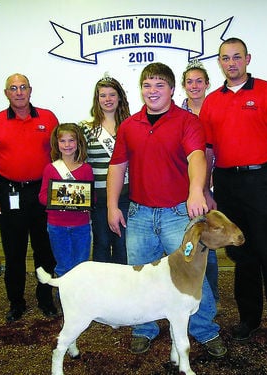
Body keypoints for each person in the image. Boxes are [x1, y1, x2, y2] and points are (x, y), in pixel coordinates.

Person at [107, 62, 227, 357]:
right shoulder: (129, 126)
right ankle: (144, 328)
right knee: (140, 276)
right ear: (141, 90)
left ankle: (205, 330)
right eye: (147, 85)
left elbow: (197, 157)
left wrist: (195, 190)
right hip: (139, 215)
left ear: (173, 90)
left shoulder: (187, 122)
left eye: (160, 85)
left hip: (178, 216)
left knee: (191, 274)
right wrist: (112, 206)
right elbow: (116, 166)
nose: (153, 91)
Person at [200, 37, 267, 352]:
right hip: (227, 185)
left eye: (237, 57)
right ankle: (249, 320)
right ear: (220, 62)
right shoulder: (212, 101)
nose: (232, 63)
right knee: (242, 256)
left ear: (248, 59)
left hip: (263, 182)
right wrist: (206, 189)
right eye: (225, 58)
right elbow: (209, 151)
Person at [0, 73, 58, 322]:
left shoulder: (48, 117)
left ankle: (46, 299)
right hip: (10, 193)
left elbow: (62, 153)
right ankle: (16, 302)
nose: (19, 92)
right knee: (14, 253)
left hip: (42, 192)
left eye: (23, 87)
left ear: (30, 90)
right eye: (14, 88)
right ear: (6, 93)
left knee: (45, 250)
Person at [180, 59, 221, 312]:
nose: (194, 86)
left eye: (199, 81)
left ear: (207, 84)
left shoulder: (218, 108)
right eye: (189, 82)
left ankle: (211, 295)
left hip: (216, 185)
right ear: (183, 86)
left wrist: (209, 188)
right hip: (187, 189)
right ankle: (188, 292)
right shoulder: (176, 113)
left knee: (210, 243)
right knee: (189, 240)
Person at [79, 76, 131, 264]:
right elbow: (79, 162)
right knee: (101, 244)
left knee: (122, 244)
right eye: (103, 95)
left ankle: (121, 290)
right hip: (99, 197)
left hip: (125, 195)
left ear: (119, 98)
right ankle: (102, 290)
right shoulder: (86, 128)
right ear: (97, 99)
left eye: (112, 94)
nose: (107, 99)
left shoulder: (131, 126)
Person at [39, 123, 94, 277]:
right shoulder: (50, 168)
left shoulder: (86, 169)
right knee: (63, 265)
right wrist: (57, 202)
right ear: (57, 144)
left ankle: (79, 298)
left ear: (78, 143)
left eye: (71, 140)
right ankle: (63, 298)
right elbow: (42, 196)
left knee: (81, 265)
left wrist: (86, 204)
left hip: (80, 225)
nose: (67, 145)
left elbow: (91, 196)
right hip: (57, 225)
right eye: (63, 141)